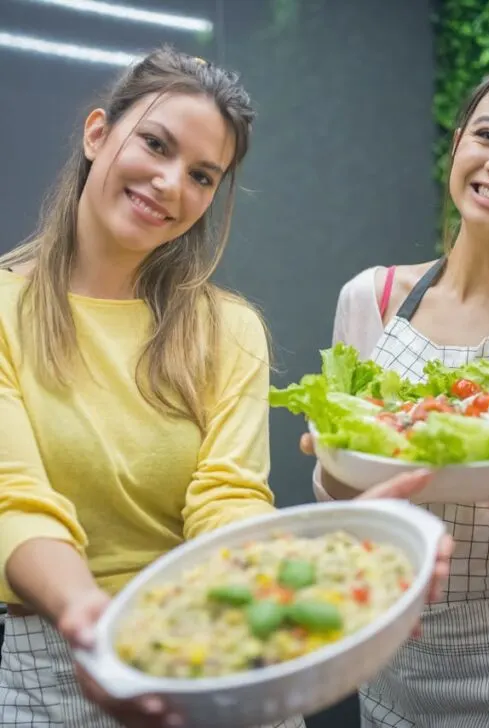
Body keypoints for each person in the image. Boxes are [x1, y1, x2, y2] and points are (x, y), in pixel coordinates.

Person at [0, 48, 450, 728]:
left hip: (226, 635)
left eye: (203, 175)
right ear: (98, 134)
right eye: (156, 144)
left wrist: (317, 553)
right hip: (56, 665)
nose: (171, 183)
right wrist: (91, 618)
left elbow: (228, 496)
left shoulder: (228, 328)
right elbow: (16, 502)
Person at [305, 60, 489, 727]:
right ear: (459, 139)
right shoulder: (373, 297)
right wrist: (338, 462)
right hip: (388, 665)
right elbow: (344, 507)